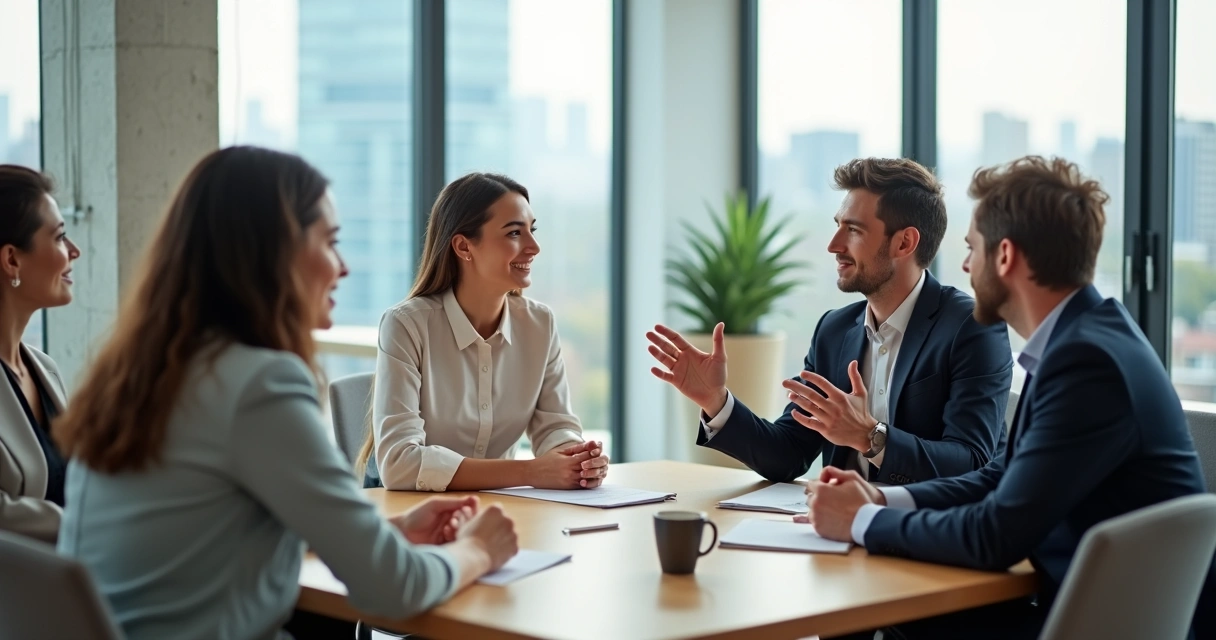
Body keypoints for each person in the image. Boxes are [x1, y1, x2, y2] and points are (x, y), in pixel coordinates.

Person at [54, 147, 519, 640]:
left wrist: (389, 535)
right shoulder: (258, 384)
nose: (342, 268)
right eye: (330, 242)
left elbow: (218, 538)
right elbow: (392, 590)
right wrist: (478, 550)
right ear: (271, 252)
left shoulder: (148, 372)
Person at [805, 156, 1214, 639]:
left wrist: (863, 521)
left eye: (971, 248)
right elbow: (1001, 476)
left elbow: (993, 535)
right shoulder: (1086, 338)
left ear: (1005, 256)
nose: (963, 266)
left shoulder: (1087, 362)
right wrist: (883, 497)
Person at [648, 158, 1012, 485]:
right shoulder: (834, 331)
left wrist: (871, 437)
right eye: (838, 225)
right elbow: (790, 453)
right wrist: (717, 401)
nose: (834, 244)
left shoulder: (972, 326)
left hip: (928, 538)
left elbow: (973, 462)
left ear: (904, 244)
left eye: (853, 230)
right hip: (839, 536)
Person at [358, 172, 609, 492]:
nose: (534, 247)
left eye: (532, 230)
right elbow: (400, 465)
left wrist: (577, 459)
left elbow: (555, 428)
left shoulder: (539, 324)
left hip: (499, 508)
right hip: (410, 512)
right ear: (464, 246)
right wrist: (530, 472)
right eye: (514, 233)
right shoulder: (407, 325)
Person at [0, 165, 80, 543]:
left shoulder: (43, 368)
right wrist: (92, 526)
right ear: (12, 260)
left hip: (62, 588)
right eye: (61, 237)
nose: (74, 252)